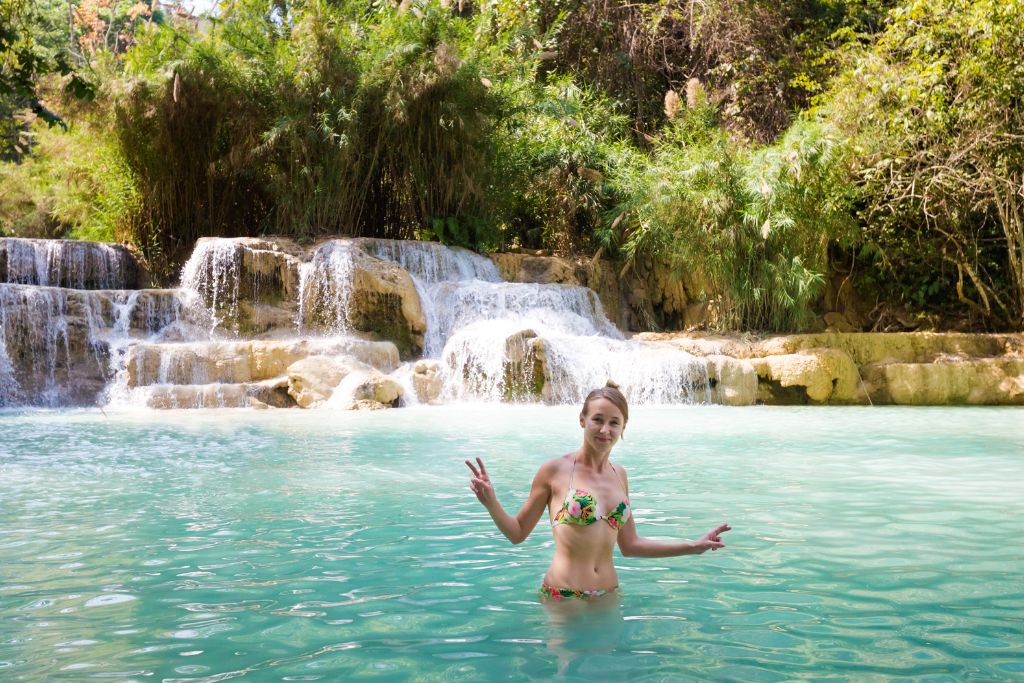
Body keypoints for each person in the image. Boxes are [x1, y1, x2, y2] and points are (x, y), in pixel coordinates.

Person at [466, 380, 731, 600]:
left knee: (611, 663)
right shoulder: (554, 470)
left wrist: (693, 546)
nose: (605, 430)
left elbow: (630, 545)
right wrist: (492, 504)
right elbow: (518, 533)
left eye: (614, 423)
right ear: (582, 420)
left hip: (608, 594)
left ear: (623, 427)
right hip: (564, 594)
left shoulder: (620, 475)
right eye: (597, 420)